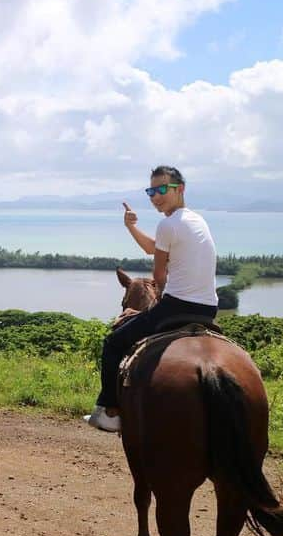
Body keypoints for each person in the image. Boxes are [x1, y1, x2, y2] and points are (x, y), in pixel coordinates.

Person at [85, 166, 219, 432]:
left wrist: (161, 301)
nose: (155, 197)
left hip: (176, 307)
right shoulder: (195, 220)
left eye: (161, 190)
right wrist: (131, 227)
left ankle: (109, 411)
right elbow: (151, 247)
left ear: (179, 189)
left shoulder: (168, 224)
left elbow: (158, 275)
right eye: (151, 191)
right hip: (209, 309)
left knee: (113, 341)